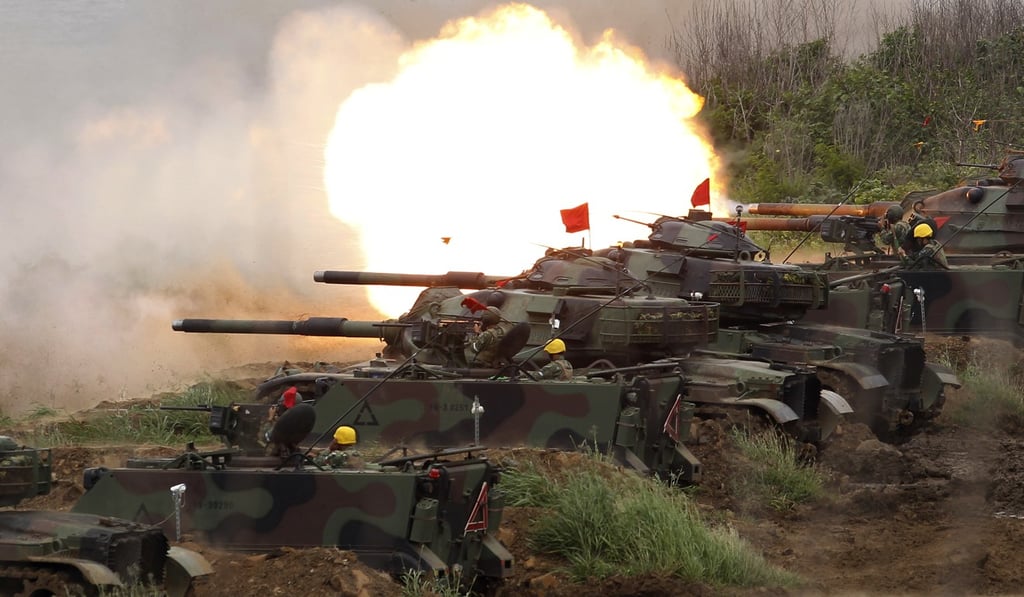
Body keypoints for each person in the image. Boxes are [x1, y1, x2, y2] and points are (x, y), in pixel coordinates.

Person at [262, 386, 300, 455]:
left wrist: (270, 418)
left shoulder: (282, 425)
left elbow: (264, 437)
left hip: (274, 459)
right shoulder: (299, 422)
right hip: (292, 457)